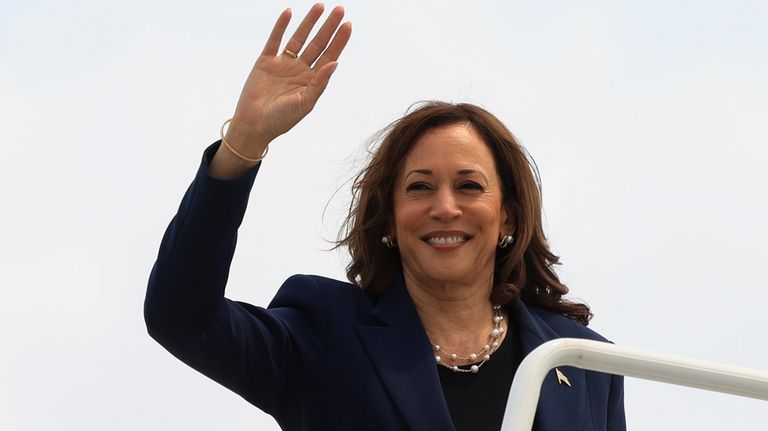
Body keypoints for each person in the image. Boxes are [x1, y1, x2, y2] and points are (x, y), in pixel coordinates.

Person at [144, 4, 625, 430]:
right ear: (390, 221)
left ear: (508, 219)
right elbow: (180, 317)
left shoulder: (582, 359)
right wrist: (244, 144)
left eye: (469, 186)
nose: (444, 207)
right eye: (418, 188)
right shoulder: (323, 332)